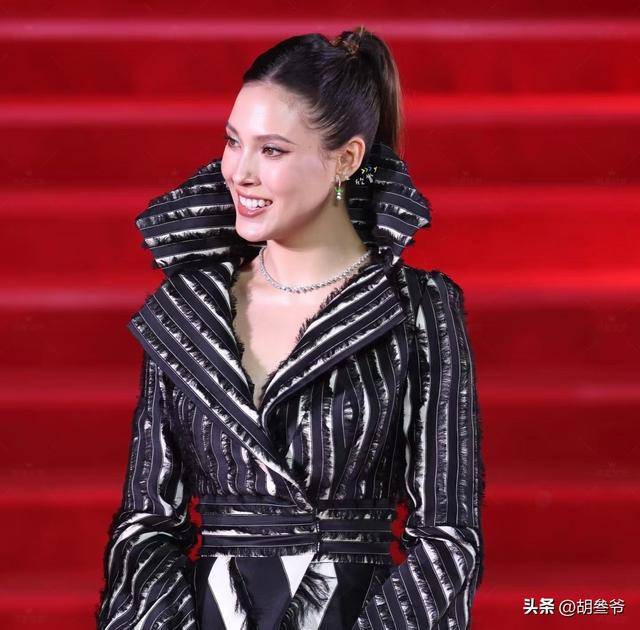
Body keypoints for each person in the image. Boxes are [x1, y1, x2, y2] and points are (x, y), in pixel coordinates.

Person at [95, 26, 485, 630]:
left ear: (347, 159)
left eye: (272, 150)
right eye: (232, 142)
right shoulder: (189, 309)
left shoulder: (416, 308)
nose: (239, 172)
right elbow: (146, 525)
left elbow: (448, 535)